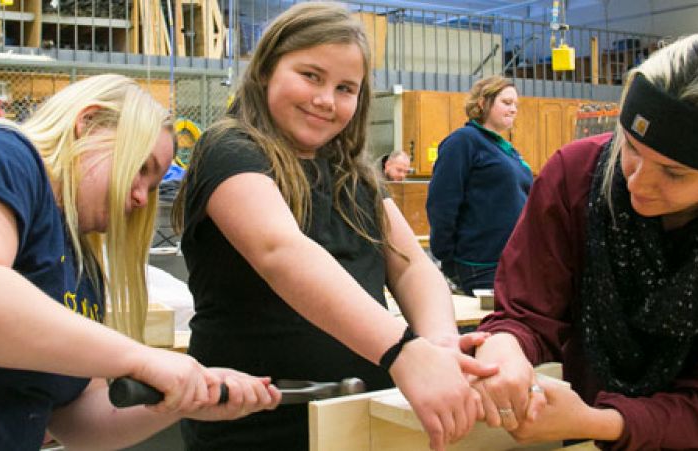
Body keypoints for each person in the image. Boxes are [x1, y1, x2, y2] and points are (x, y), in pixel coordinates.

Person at [173, 3, 497, 450]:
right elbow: (280, 252)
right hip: (258, 427)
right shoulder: (229, 147)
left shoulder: (356, 173)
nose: (326, 99)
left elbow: (410, 267)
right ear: (266, 70)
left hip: (358, 419)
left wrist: (438, 344)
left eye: (346, 88)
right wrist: (402, 350)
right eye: (311, 76)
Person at [0, 74, 279, 450]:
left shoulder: (79, 267)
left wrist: (183, 396)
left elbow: (79, 420)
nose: (140, 199)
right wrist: (140, 359)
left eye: (152, 187)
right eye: (141, 168)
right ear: (88, 124)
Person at [472, 33, 698, 449]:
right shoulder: (575, 174)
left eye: (674, 172)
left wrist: (599, 422)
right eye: (631, 146)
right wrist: (503, 347)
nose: (637, 180)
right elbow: (525, 312)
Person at [426, 75, 532, 293]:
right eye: (506, 102)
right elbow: (442, 202)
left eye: (516, 105)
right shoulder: (463, 141)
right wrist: (448, 258)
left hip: (513, 262)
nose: (513, 109)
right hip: (480, 265)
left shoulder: (509, 151)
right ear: (483, 103)